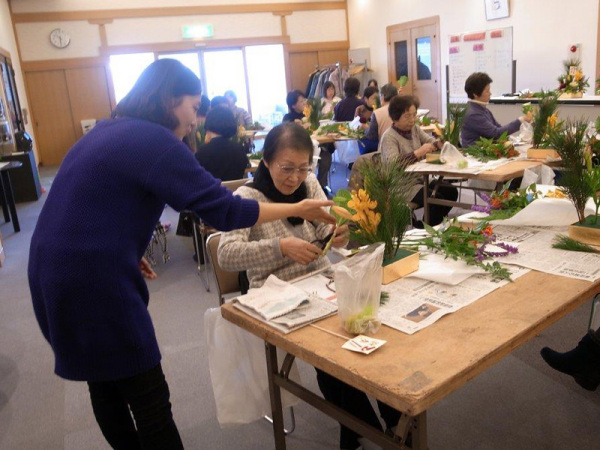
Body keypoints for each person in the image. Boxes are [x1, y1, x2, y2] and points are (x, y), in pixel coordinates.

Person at [27, 59, 334, 450]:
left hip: (53, 267)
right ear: (169, 100)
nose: (197, 118)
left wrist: (122, 248)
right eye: (193, 106)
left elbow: (84, 206)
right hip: (91, 277)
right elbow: (225, 210)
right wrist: (296, 208)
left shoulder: (108, 129)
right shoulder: (155, 141)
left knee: (103, 380)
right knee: (147, 394)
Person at [218, 122, 400, 449]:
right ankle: (372, 431)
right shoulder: (246, 198)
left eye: (303, 167)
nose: (294, 177)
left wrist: (337, 234)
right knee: (333, 360)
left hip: (319, 281)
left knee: (369, 336)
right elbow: (226, 256)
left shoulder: (310, 183)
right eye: (286, 168)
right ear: (266, 161)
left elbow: (323, 227)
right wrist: (280, 247)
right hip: (277, 295)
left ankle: (380, 424)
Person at [380, 95, 458, 226]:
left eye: (414, 115)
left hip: (420, 179)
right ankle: (425, 230)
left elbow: (430, 141)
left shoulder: (414, 129)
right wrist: (418, 153)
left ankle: (425, 226)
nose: (412, 120)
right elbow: (393, 164)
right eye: (407, 116)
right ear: (395, 117)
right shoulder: (389, 137)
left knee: (451, 192)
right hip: (401, 185)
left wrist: (440, 143)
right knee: (435, 199)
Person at [460, 72, 532, 147]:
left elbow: (499, 129)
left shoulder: (482, 110)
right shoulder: (473, 114)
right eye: (487, 91)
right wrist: (520, 121)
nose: (490, 93)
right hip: (474, 155)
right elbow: (496, 134)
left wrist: (516, 139)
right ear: (475, 94)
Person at [195, 106, 249, 181]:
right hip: (235, 191)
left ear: (209, 122)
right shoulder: (239, 149)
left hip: (212, 192)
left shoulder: (202, 151)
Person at [359, 83, 399, 155]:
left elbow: (372, 137)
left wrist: (366, 128)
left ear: (383, 96)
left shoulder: (378, 113)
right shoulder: (403, 109)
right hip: (404, 149)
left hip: (386, 152)